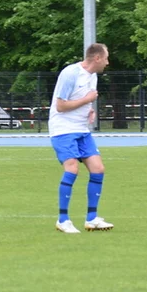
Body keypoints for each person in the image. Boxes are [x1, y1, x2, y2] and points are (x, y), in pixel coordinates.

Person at [49, 43, 113, 234]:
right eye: (107, 58)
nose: (108, 63)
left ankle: (91, 219)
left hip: (81, 129)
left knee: (98, 169)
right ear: (97, 58)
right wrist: (87, 100)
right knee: (72, 169)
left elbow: (82, 100)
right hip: (63, 129)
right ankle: (63, 220)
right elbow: (60, 106)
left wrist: (89, 110)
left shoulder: (92, 76)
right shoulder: (70, 73)